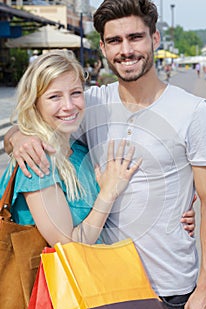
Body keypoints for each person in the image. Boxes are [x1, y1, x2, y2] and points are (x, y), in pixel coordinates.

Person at [4, 1, 206, 309]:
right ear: (104, 47)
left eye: (135, 37)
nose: (126, 50)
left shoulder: (193, 112)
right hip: (103, 289)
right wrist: (16, 137)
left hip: (168, 289)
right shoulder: (89, 103)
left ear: (154, 38)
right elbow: (42, 117)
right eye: (115, 41)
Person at [0, 49, 143, 247]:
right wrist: (108, 194)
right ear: (35, 104)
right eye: (54, 97)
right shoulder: (38, 159)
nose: (68, 106)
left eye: (75, 93)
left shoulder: (77, 149)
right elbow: (69, 245)